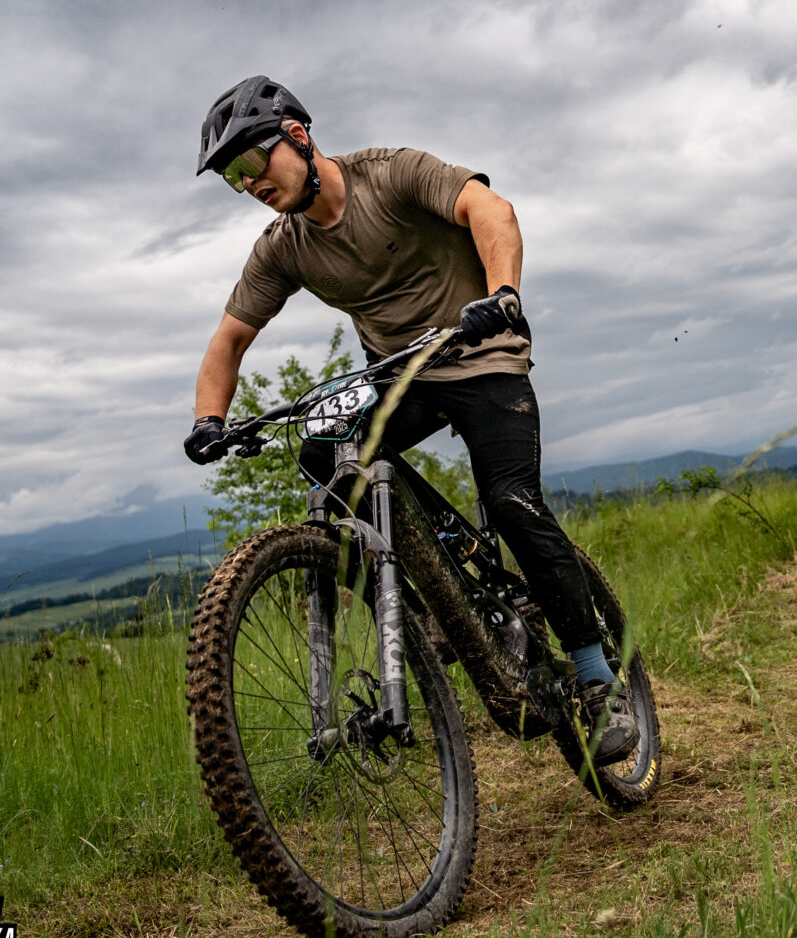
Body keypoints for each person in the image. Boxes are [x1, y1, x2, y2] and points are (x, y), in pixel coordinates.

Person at [182, 75, 636, 763]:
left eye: (251, 163)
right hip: (402, 379)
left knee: (512, 504)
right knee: (325, 452)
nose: (248, 185)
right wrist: (211, 420)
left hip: (481, 354)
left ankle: (599, 681)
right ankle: (433, 586)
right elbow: (229, 341)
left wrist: (503, 293)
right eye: (231, 179)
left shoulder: (391, 176)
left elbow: (491, 210)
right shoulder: (283, 246)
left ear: (298, 138)